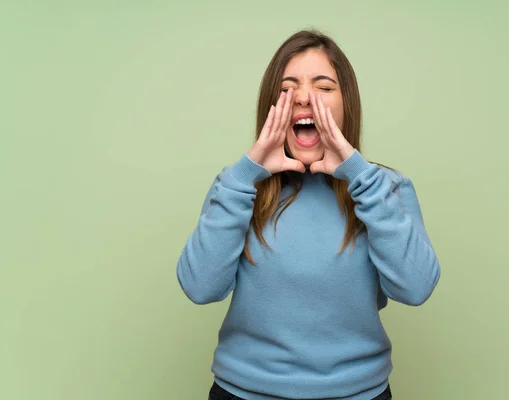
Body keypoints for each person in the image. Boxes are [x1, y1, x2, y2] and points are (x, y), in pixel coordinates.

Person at [176, 29, 441, 400]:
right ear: (272, 106)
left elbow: (416, 288)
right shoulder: (237, 186)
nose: (303, 97)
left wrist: (359, 174)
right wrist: (246, 174)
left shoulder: (385, 187)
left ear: (347, 102)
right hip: (243, 393)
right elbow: (200, 288)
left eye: (323, 86)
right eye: (288, 88)